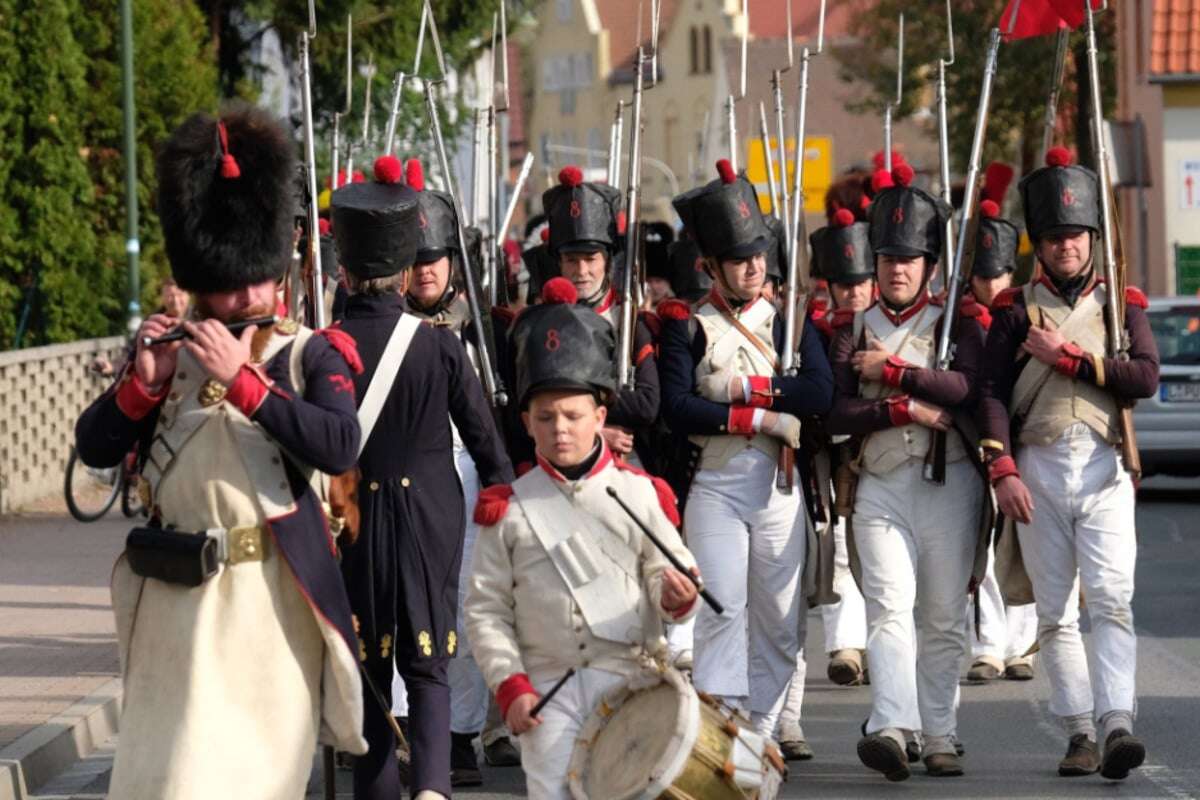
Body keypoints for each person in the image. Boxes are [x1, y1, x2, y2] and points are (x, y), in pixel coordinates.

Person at [74, 104, 368, 798]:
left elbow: (338, 443)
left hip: (271, 602)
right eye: (225, 282)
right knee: (168, 780)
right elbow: (94, 447)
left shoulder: (309, 351)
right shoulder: (169, 351)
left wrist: (247, 384)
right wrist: (139, 391)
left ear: (278, 269)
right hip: (177, 603)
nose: (241, 296)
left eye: (254, 280)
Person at [465, 276, 700, 800]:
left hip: (630, 682)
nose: (560, 429)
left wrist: (675, 595)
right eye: (545, 417)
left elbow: (672, 569)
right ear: (526, 422)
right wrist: (510, 685)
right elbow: (486, 610)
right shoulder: (508, 510)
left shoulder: (640, 493)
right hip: (546, 690)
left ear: (600, 416)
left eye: (573, 416)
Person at [331, 155, 514, 800]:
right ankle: (434, 789)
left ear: (347, 271)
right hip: (433, 515)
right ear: (405, 270)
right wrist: (501, 497)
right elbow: (487, 442)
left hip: (353, 518)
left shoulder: (325, 347)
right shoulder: (439, 345)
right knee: (429, 662)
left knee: (371, 670)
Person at [977, 147, 1159, 780]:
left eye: (1076, 236)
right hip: (1038, 468)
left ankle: (1117, 722)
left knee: (1111, 599)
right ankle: (1078, 729)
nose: (1066, 247)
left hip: (1105, 466)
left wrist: (1072, 359)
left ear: (1092, 238)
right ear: (1041, 244)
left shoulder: (1120, 303)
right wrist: (1002, 470)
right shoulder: (1011, 309)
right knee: (1055, 612)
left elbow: (1144, 378)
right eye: (1054, 238)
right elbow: (991, 395)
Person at [658, 159, 833, 741]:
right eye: (739, 258)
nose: (753, 266)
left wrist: (739, 390)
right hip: (714, 483)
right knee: (721, 610)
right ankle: (721, 727)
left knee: (780, 622)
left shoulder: (789, 319)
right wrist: (761, 417)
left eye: (758, 254)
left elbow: (818, 392)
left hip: (779, 487)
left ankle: (761, 728)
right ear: (713, 266)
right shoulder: (687, 325)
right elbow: (680, 407)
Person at [826, 163, 990, 780]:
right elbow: (837, 408)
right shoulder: (852, 328)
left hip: (950, 484)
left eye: (912, 257)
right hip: (881, 484)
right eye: (890, 256)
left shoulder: (958, 320)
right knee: (888, 607)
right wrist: (903, 407)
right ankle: (893, 725)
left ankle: (941, 732)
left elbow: (966, 388)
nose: (899, 268)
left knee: (943, 615)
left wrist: (894, 372)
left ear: (929, 263)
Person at [400, 158, 521, 783]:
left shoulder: (486, 332)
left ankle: (459, 735)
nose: (426, 269)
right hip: (404, 478)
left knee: (470, 610)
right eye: (415, 256)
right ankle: (406, 734)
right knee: (410, 610)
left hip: (472, 479)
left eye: (436, 256)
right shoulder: (380, 328)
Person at [958, 199, 1039, 683]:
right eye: (983, 276)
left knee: (1025, 542)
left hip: (1025, 441)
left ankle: (1022, 644)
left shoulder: (1026, 316)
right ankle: (987, 643)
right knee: (981, 546)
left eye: (1000, 275)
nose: (992, 285)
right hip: (974, 443)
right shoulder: (962, 322)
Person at [533, 165, 660, 470]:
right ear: (559, 263)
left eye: (590, 259)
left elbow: (646, 406)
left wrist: (573, 400)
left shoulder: (630, 321)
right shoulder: (539, 323)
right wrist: (595, 431)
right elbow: (534, 407)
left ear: (607, 261)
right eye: (571, 260)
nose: (581, 271)